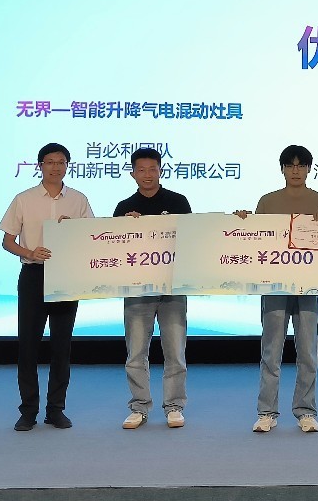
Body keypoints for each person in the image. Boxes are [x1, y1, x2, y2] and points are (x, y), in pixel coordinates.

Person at [236, 145, 318, 434]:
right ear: (282, 169)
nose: (295, 171)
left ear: (309, 169)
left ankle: (306, 411)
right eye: (290, 165)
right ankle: (266, 411)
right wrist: (243, 221)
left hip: (309, 286)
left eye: (301, 165)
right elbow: (256, 239)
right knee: (271, 351)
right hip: (275, 286)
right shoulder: (267, 201)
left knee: (308, 352)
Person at [0, 142, 94, 431]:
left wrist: (73, 230)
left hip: (66, 276)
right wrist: (29, 252)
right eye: (50, 162)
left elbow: (91, 237)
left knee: (61, 347)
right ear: (40, 166)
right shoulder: (24, 199)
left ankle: (56, 410)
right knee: (28, 346)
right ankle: (28, 411)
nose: (56, 167)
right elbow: (7, 241)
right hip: (33, 276)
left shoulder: (78, 199)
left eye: (61, 162)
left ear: (68, 166)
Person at [113, 147, 192, 430]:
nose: (147, 174)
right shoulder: (123, 208)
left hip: (172, 287)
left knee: (175, 352)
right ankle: (139, 407)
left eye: (152, 169)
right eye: (141, 170)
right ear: (133, 173)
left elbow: (191, 239)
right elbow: (113, 249)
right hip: (137, 290)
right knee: (136, 353)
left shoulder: (178, 201)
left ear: (160, 170)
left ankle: (174, 406)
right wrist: (126, 228)